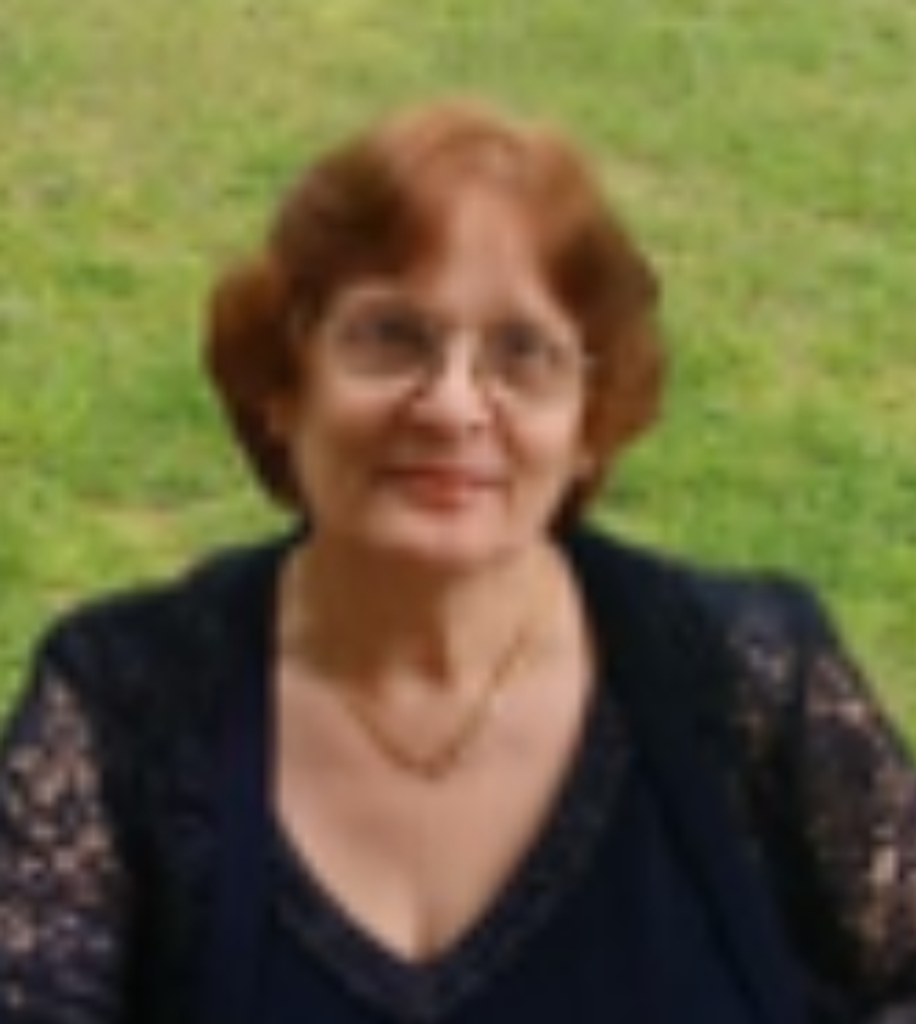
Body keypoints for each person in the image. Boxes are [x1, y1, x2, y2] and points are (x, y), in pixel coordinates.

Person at [0, 99, 914, 1024]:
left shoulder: (749, 683)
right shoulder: (120, 707)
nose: (453, 407)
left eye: (523, 353)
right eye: (391, 337)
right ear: (283, 384)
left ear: (587, 422)